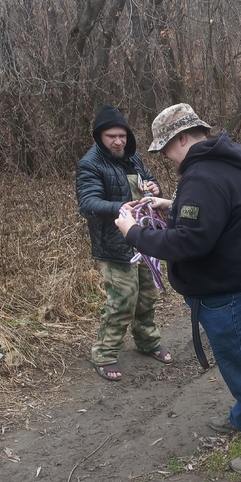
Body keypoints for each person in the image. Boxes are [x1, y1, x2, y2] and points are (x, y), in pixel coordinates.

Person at [114, 103, 241, 479]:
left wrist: (133, 232)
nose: (165, 158)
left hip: (239, 290)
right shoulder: (228, 160)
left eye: (165, 149)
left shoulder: (202, 176)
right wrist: (172, 205)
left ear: (181, 139)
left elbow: (188, 244)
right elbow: (217, 213)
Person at [76, 104, 172, 381]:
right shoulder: (90, 164)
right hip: (114, 244)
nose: (118, 141)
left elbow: (149, 182)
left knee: (147, 295)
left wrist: (154, 189)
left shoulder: (133, 157)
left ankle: (147, 341)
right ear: (100, 137)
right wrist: (123, 207)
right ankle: (104, 355)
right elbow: (88, 204)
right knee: (122, 301)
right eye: (111, 137)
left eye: (122, 135)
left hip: (143, 239)